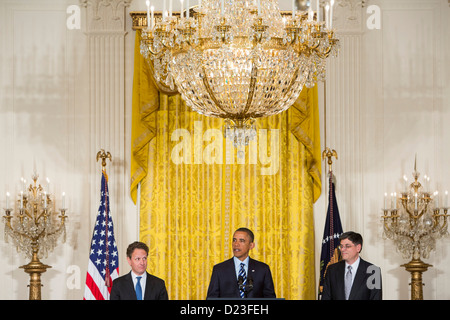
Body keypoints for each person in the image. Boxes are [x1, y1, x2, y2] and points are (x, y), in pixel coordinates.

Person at [206, 227, 276, 299]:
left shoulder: (263, 269)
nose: (236, 244)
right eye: (234, 240)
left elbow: (270, 297)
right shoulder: (219, 269)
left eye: (241, 241)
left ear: (251, 245)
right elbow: (212, 298)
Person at [321, 231, 382, 300]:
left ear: (358, 248)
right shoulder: (332, 270)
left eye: (347, 246)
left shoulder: (374, 271)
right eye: (341, 246)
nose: (343, 249)